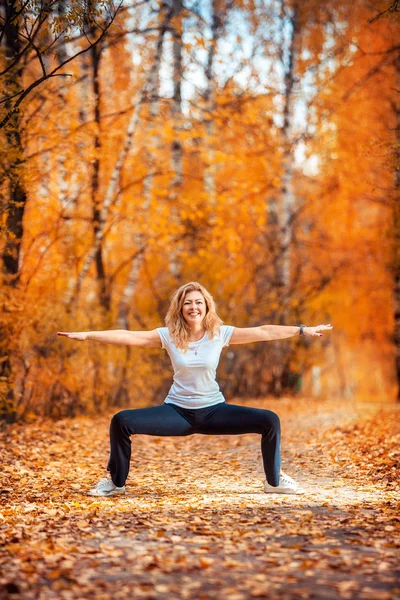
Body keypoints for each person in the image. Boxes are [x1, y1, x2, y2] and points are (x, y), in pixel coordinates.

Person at [57, 281, 333, 497]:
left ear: (207, 306)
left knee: (269, 420)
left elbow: (263, 331)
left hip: (214, 411)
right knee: (121, 421)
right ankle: (116, 483)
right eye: (188, 303)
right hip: (177, 413)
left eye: (198, 302)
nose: (193, 307)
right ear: (180, 308)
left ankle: (274, 482)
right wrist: (88, 335)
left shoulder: (220, 333)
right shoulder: (167, 336)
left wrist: (301, 329)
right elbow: (129, 336)